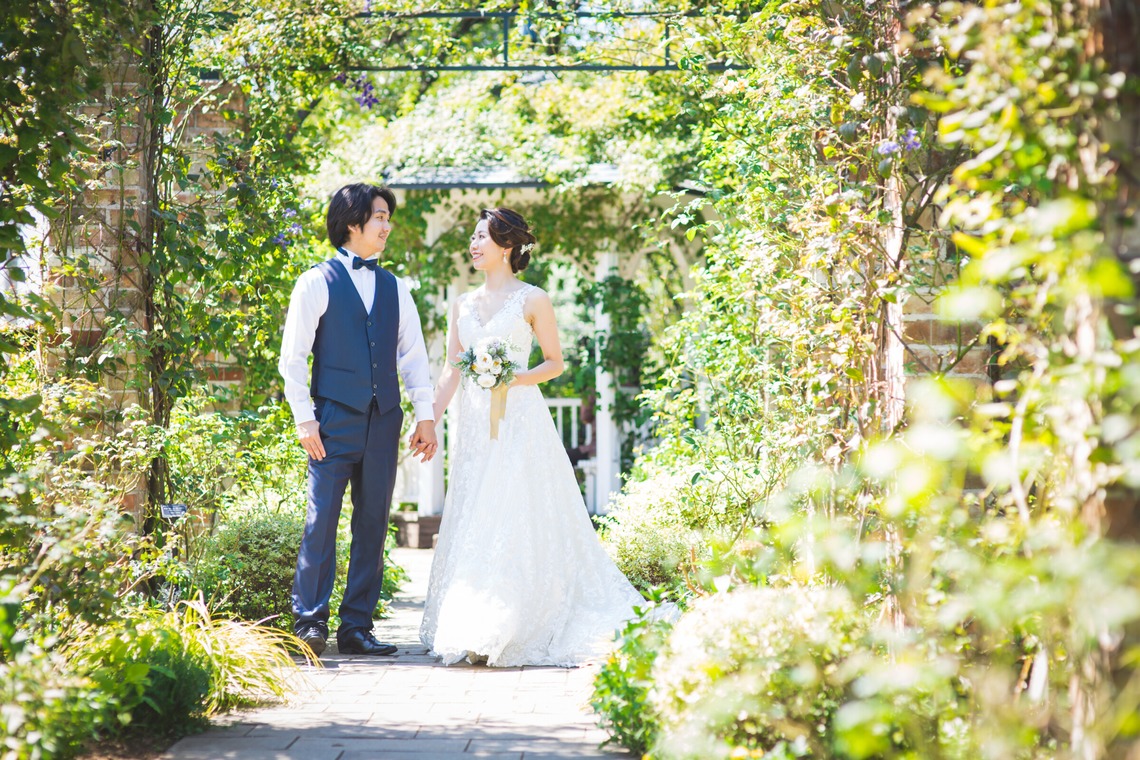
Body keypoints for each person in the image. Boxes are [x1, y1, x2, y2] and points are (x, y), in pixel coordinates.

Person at [419, 207, 645, 667]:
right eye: (473, 237)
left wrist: (510, 377)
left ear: (507, 246)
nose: (474, 244)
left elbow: (555, 363)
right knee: (476, 513)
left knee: (510, 513)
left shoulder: (533, 299)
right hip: (474, 429)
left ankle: (507, 625)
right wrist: (429, 419)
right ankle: (474, 622)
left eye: (483, 237)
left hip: (520, 423)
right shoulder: (461, 304)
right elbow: (450, 368)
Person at [279, 183, 438, 657]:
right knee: (320, 522)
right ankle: (309, 622)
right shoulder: (315, 281)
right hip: (330, 420)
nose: (387, 226)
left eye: (388, 217)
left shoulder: (395, 287)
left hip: (383, 419)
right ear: (353, 224)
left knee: (372, 523)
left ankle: (357, 627)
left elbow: (413, 358)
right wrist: (305, 420)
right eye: (380, 217)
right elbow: (293, 359)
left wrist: (424, 417)